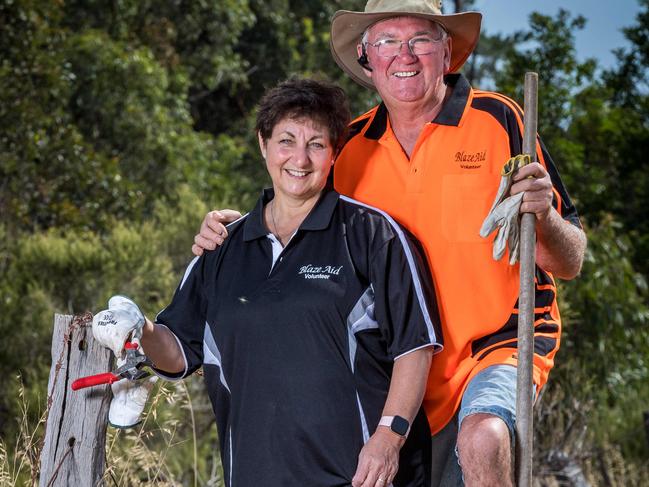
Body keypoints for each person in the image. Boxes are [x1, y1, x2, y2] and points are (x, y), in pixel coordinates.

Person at [192, 1, 587, 486]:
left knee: (483, 437)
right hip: (394, 363)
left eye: (420, 39)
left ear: (447, 53)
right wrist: (229, 229)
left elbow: (569, 260)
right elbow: (296, 214)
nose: (405, 55)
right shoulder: (349, 147)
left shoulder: (499, 120)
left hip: (493, 345)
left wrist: (544, 215)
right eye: (387, 42)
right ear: (365, 57)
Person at [93, 78, 443, 487]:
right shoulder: (223, 248)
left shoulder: (372, 235)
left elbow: (415, 347)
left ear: (334, 152)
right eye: (286, 140)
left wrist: (388, 436)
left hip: (360, 477)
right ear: (263, 144)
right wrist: (143, 329)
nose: (300, 158)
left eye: (316, 143)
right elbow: (179, 352)